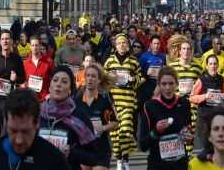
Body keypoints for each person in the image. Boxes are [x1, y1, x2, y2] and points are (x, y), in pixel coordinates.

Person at [0, 88, 70, 170]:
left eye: (25, 131)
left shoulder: (55, 161)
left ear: (37, 122)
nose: (19, 140)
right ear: (6, 121)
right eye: (13, 130)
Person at [40, 66, 97, 170]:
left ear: (70, 90)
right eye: (55, 80)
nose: (58, 84)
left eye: (64, 82)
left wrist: (71, 153)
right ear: (49, 86)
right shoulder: (36, 114)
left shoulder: (80, 117)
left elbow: (93, 158)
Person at [140, 66, 193, 170]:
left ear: (177, 84)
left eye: (171, 83)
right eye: (164, 84)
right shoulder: (150, 106)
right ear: (159, 85)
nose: (168, 88)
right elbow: (143, 145)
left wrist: (189, 137)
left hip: (180, 164)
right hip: (157, 164)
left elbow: (188, 133)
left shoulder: (184, 103)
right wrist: (156, 131)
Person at [103, 33, 141, 170]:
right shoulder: (109, 61)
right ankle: (119, 159)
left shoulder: (134, 61)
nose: (122, 45)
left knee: (125, 130)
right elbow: (103, 81)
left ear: (128, 44)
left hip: (128, 102)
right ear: (115, 45)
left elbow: (140, 79)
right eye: (119, 43)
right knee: (115, 135)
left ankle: (126, 160)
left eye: (124, 42)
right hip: (113, 103)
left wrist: (133, 80)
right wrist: (110, 79)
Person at [75, 64, 118, 170]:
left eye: (93, 76)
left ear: (99, 80)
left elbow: (115, 123)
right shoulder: (77, 99)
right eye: (88, 75)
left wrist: (102, 128)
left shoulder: (104, 100)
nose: (90, 78)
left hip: (101, 149)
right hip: (82, 149)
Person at [190, 55, 224, 135]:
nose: (213, 66)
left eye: (215, 64)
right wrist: (205, 96)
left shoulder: (221, 79)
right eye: (210, 64)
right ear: (207, 66)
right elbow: (192, 97)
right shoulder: (201, 79)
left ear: (218, 65)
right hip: (205, 117)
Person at [23, 36, 54, 103]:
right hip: (29, 99)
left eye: (36, 45)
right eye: (33, 45)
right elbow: (23, 80)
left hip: (44, 100)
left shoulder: (49, 62)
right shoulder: (25, 63)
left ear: (40, 46)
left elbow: (54, 79)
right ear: (30, 47)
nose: (34, 48)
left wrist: (50, 93)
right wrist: (23, 85)